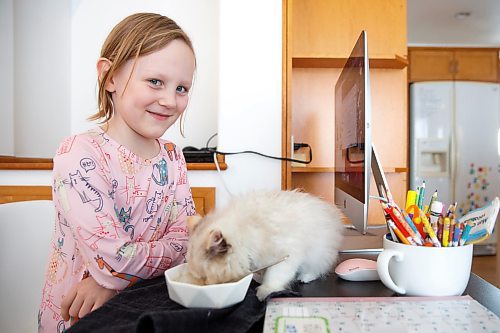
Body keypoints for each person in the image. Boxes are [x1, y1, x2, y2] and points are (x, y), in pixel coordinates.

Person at [38, 12, 197, 332]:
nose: (170, 100)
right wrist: (114, 271)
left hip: (145, 309)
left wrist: (114, 279)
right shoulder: (79, 154)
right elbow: (116, 261)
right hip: (81, 318)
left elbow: (188, 241)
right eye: (155, 81)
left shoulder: (173, 156)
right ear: (109, 76)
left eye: (182, 88)